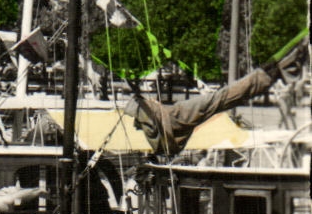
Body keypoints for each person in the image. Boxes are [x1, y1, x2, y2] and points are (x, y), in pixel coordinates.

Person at [128, 40, 306, 155]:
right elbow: (221, 98)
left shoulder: (164, 121)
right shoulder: (175, 116)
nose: (153, 101)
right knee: (221, 98)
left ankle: (273, 69)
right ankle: (274, 68)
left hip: (169, 123)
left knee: (222, 98)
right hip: (172, 118)